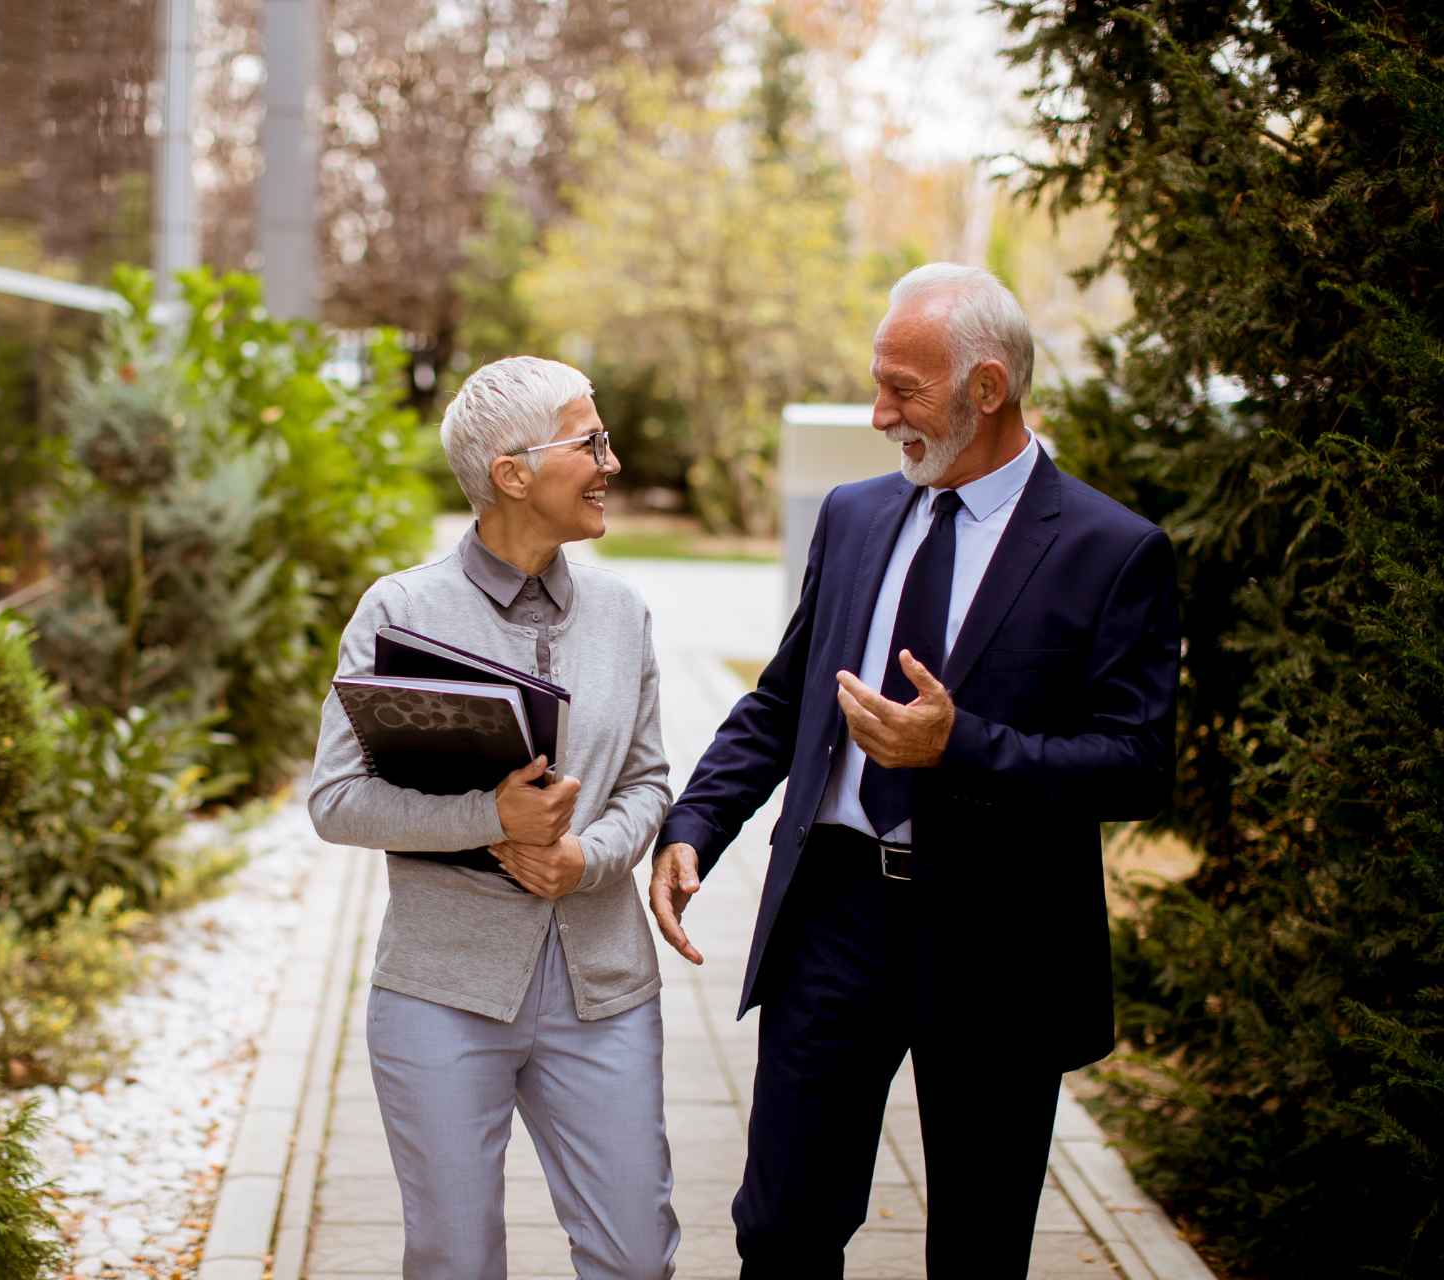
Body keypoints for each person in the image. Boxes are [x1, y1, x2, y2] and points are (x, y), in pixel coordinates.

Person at [648, 263, 1180, 1277]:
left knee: (978, 1249)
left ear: (988, 387)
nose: (880, 413)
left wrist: (959, 745)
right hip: (835, 911)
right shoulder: (854, 515)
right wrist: (695, 824)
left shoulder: (1113, 550)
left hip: (1000, 935)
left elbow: (1137, 765)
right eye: (878, 384)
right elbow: (786, 698)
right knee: (780, 1226)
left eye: (904, 389)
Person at [309, 356, 679, 1279]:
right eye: (590, 442)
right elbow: (335, 800)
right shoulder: (401, 610)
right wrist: (491, 816)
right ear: (513, 473)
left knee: (637, 1258)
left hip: (603, 989)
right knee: (456, 1261)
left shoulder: (622, 613)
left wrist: (588, 857)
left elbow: (647, 781)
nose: (611, 462)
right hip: (441, 990)